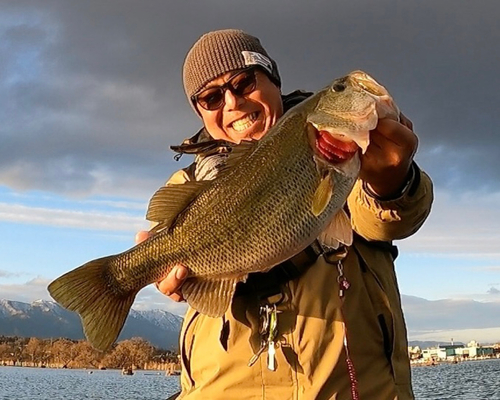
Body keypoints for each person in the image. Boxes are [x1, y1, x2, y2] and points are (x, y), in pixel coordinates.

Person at [136, 29, 433, 400]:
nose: (232, 102)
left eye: (244, 83)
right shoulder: (188, 184)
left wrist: (391, 181)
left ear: (272, 79)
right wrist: (173, 280)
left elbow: (388, 219)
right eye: (211, 97)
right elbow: (190, 285)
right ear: (200, 112)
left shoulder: (348, 150)